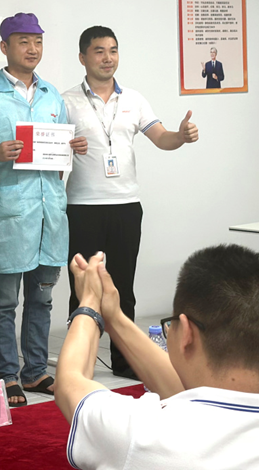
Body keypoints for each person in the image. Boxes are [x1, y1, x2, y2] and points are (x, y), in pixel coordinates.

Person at [56, 246, 259, 470]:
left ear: (186, 333)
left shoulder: (140, 432)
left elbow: (69, 382)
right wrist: (114, 317)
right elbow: (192, 393)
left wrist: (89, 303)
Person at [0, 12, 88, 406]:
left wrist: (71, 148)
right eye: (23, 41)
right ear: (5, 47)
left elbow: (59, 153)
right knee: (5, 301)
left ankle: (35, 371)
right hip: (10, 213)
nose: (32, 48)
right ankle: (7, 375)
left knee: (43, 298)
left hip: (49, 212)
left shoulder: (52, 96)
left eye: (37, 41)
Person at [62, 26, 198, 379]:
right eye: (99, 51)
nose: (107, 58)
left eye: (113, 50)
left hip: (126, 205)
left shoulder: (134, 99)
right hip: (82, 206)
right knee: (83, 290)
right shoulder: (64, 102)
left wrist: (181, 136)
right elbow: (52, 153)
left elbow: (162, 138)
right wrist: (66, 149)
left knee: (123, 288)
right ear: (82, 57)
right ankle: (80, 366)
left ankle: (125, 363)